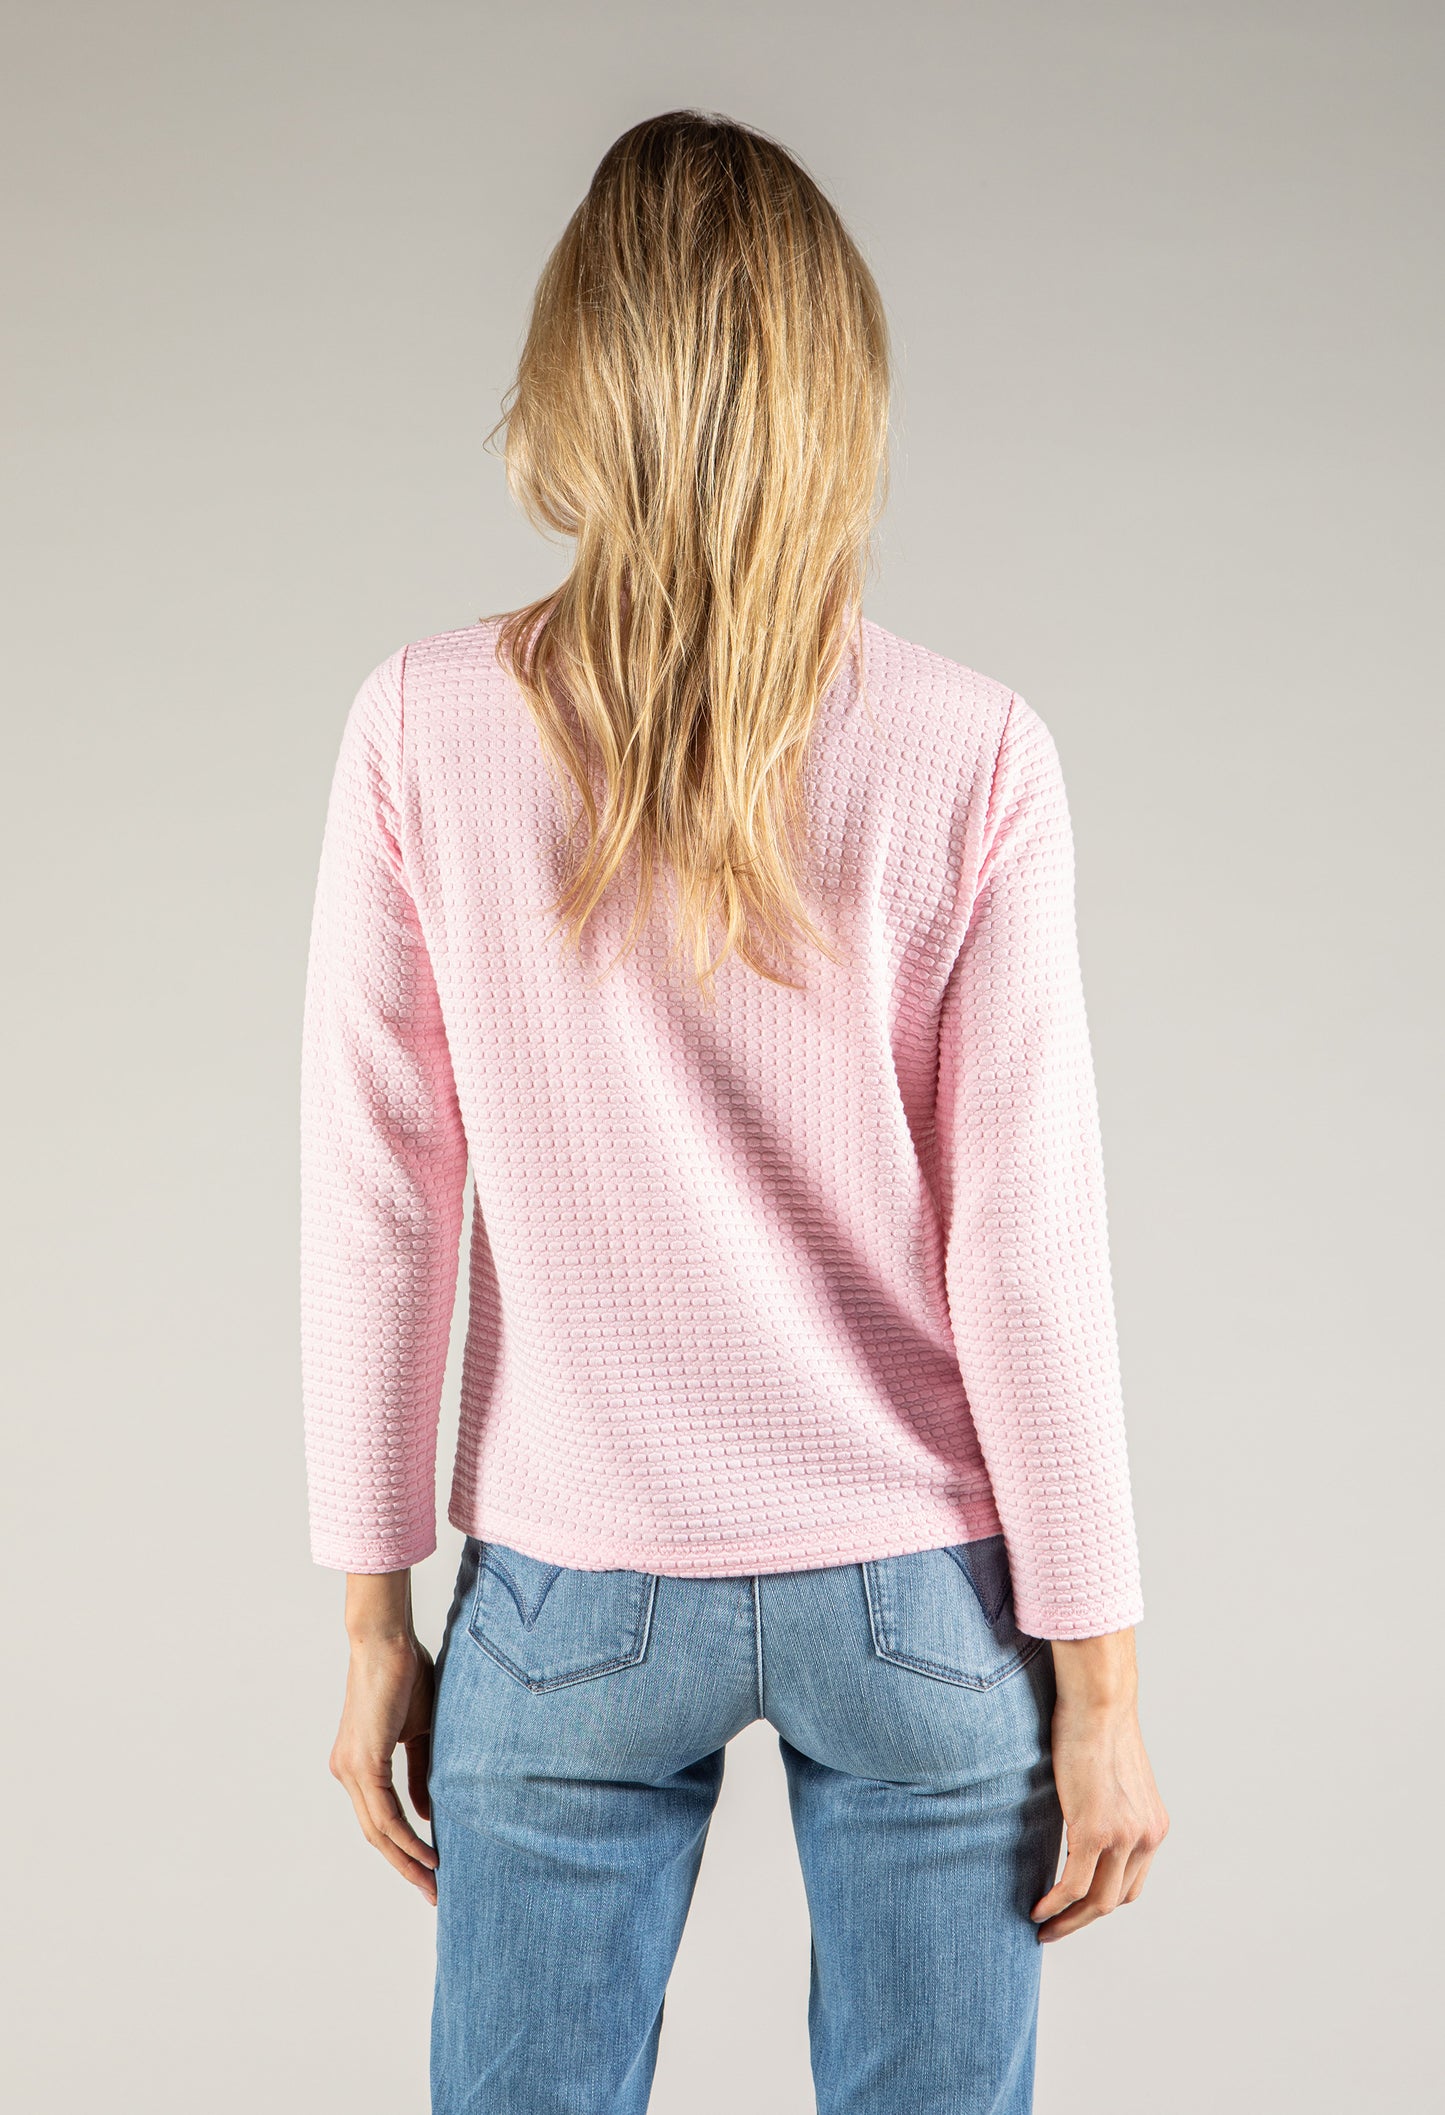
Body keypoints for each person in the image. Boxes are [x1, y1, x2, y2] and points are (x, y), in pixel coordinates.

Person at [300, 108, 1168, 2115]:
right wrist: (1103, 1683)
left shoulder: (421, 727)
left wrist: (370, 1618)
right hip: (919, 1585)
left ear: (574, 381)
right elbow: (1023, 1249)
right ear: (839, 395)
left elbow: (381, 1204)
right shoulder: (974, 752)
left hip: (570, 1579)